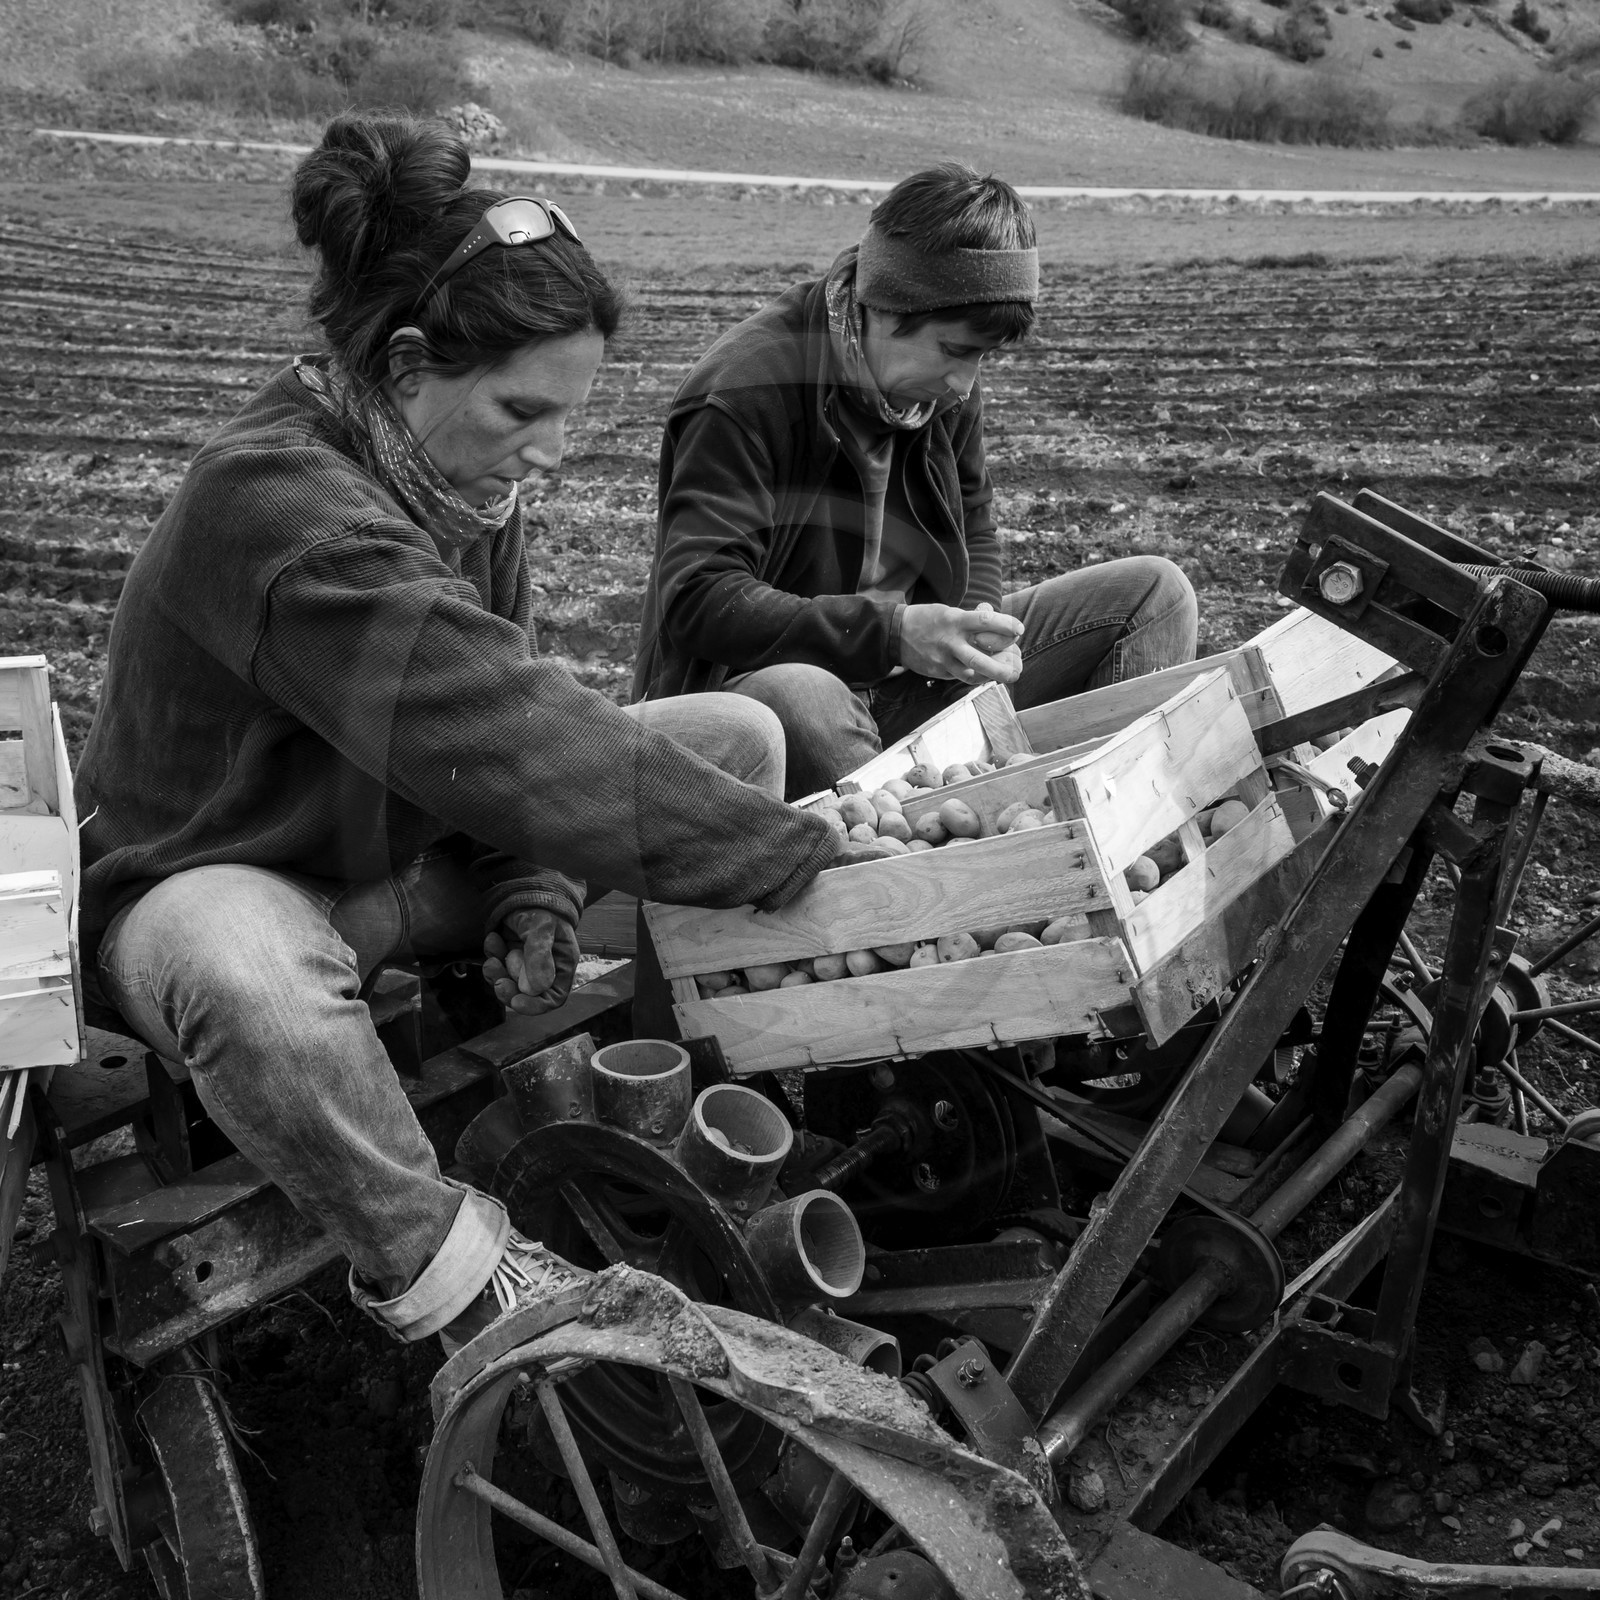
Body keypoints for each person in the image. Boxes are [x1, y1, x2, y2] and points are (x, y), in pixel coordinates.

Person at [74, 113, 835, 1353]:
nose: (549, 449)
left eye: (570, 415)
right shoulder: (277, 511)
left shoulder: (454, 475)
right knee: (246, 974)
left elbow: (506, 696)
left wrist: (532, 889)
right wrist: (794, 852)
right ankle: (461, 1274)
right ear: (413, 360)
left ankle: (671, 1106)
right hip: (223, 880)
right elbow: (503, 732)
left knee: (739, 736)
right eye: (524, 409)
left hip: (390, 852)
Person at [634, 164, 1199, 798]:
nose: (965, 382)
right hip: (770, 697)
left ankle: (1112, 812)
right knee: (800, 695)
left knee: (1155, 595)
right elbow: (700, 600)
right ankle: (929, 851)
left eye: (982, 357)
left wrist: (972, 625)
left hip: (906, 679)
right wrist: (895, 633)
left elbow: (973, 516)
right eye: (956, 351)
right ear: (890, 304)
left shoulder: (940, 389)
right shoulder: (745, 391)